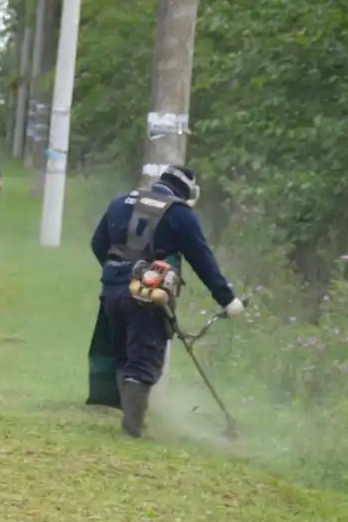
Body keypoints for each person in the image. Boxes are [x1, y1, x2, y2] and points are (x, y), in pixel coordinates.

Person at [87, 164, 244, 438]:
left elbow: (98, 242)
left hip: (111, 290)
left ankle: (131, 416)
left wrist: (117, 274)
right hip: (147, 295)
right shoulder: (180, 214)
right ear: (189, 191)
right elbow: (202, 261)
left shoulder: (122, 200)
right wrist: (227, 299)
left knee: (124, 352)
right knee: (144, 356)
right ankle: (132, 428)